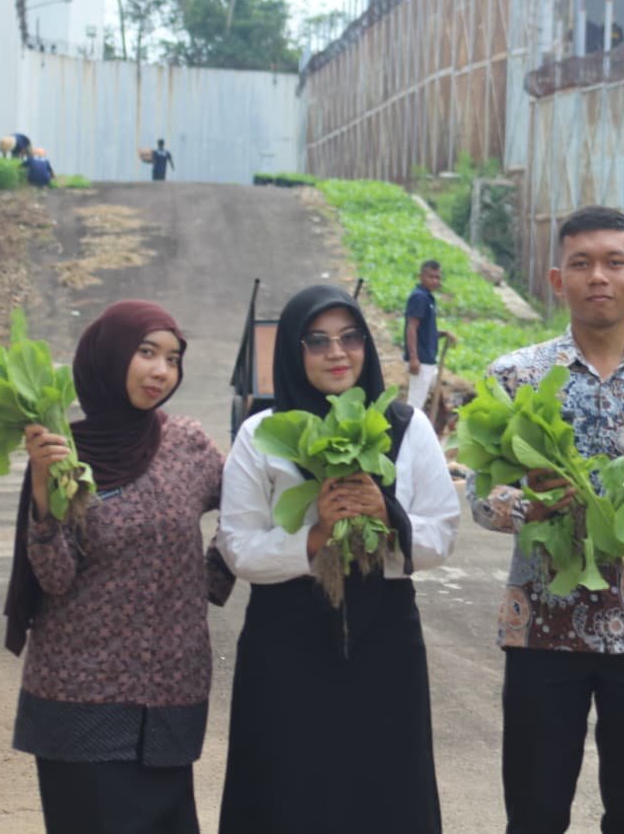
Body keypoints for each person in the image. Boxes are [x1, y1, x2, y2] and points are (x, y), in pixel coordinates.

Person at [467, 205, 624, 834]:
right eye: (581, 264)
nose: (598, 277)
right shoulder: (517, 376)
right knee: (534, 811)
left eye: (614, 263)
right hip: (541, 625)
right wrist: (530, 504)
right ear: (558, 281)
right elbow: (479, 492)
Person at [216, 284, 458, 834]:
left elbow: (442, 534)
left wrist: (387, 512)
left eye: (350, 338)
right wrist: (315, 536)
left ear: (367, 346)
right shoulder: (262, 434)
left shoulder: (405, 426)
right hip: (285, 639)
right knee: (285, 785)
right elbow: (237, 546)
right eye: (318, 341)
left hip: (385, 638)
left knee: (385, 786)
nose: (337, 353)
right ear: (293, 355)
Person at [2, 301, 222, 834]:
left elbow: (250, 514)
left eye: (172, 358)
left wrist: (212, 575)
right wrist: (41, 494)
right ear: (108, 356)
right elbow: (55, 577)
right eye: (146, 352)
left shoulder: (187, 446)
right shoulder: (65, 453)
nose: (161, 371)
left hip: (171, 693)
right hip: (79, 699)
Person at [403, 259, 452, 411]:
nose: (435, 281)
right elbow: (411, 328)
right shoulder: (419, 297)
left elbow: (423, 329)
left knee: (436, 389)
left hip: (428, 359)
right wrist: (414, 359)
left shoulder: (428, 297)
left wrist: (442, 334)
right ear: (421, 276)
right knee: (415, 403)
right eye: (431, 277)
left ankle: (439, 421)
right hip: (421, 360)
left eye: (438, 277)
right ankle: (408, 431)